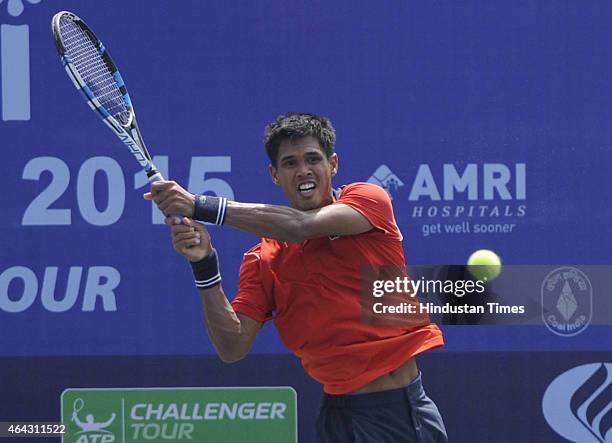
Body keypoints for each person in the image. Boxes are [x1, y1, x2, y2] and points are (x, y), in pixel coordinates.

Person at [144, 112, 448, 442]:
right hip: (338, 419)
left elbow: (299, 227)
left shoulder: (367, 201)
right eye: (289, 163)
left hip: (399, 414)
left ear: (333, 164)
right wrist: (204, 263)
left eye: (312, 159)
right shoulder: (263, 259)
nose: (303, 170)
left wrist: (197, 205)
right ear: (275, 175)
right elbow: (232, 346)